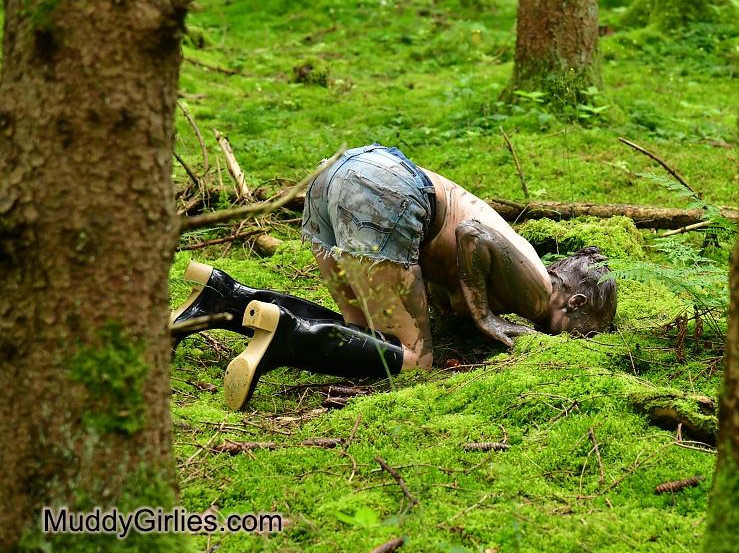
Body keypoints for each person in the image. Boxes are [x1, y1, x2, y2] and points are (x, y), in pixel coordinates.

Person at [171, 144, 617, 409]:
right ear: (576, 302)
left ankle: (224, 299)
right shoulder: (540, 290)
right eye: (589, 331)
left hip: (339, 177)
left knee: (365, 339)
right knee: (414, 359)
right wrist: (486, 317)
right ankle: (286, 338)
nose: (582, 339)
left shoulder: (518, 278)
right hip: (387, 192)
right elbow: (472, 235)